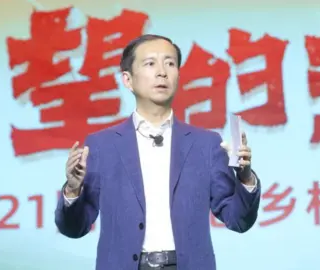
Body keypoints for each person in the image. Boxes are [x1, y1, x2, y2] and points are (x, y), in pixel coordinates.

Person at [55, 34, 261, 270]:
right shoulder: (102, 146)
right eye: (150, 63)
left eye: (170, 63)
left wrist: (245, 177)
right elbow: (74, 228)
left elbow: (239, 220)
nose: (162, 72)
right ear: (128, 79)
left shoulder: (206, 144)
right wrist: (72, 190)